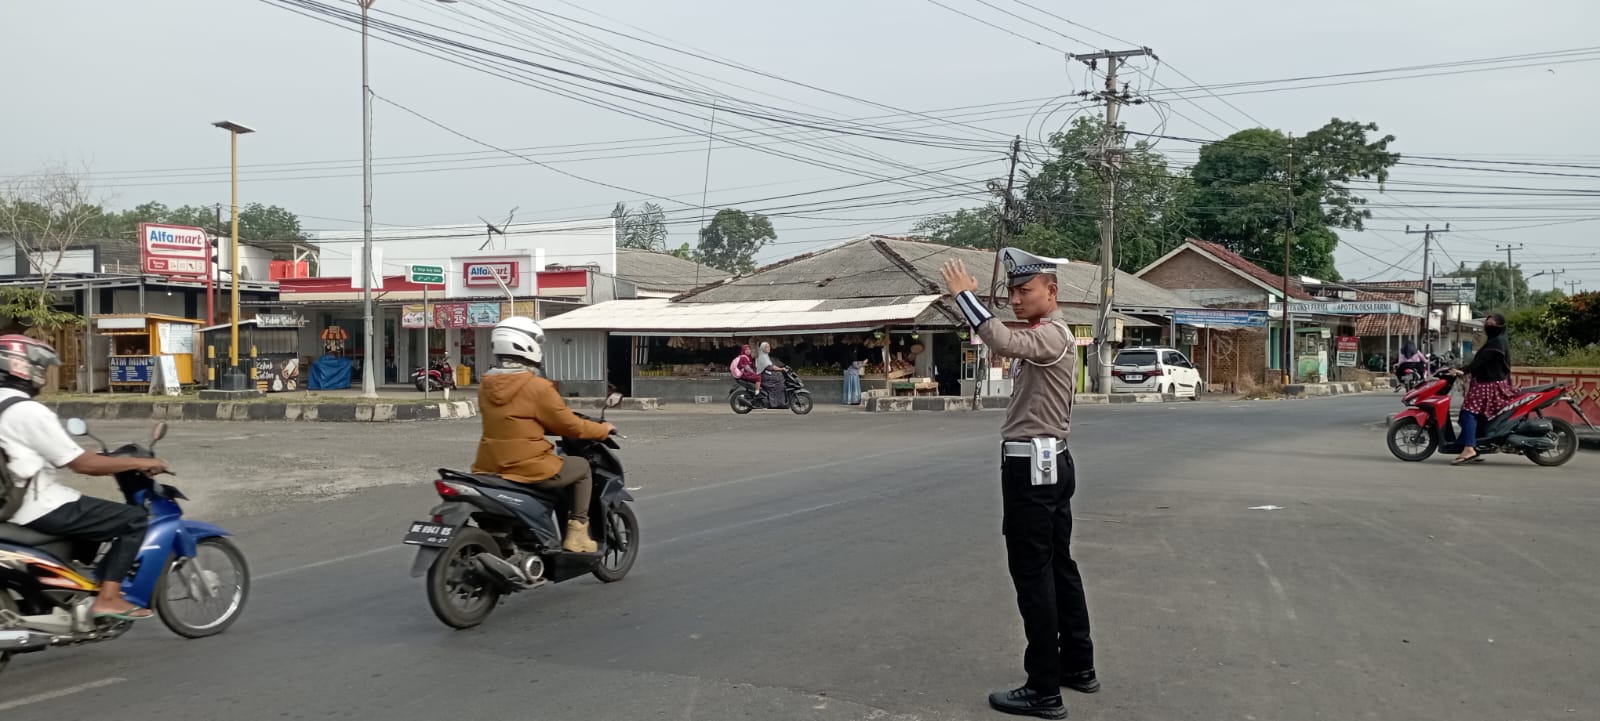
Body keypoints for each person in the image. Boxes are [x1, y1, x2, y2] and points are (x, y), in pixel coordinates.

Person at [941, 250, 1094, 720]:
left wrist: (964, 295)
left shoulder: (1051, 334)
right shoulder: (1047, 335)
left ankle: (1044, 690)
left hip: (1032, 468)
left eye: (1024, 291)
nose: (1015, 298)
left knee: (1034, 574)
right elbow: (1008, 339)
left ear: (1052, 292)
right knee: (1059, 566)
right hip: (1051, 463)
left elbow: (1002, 341)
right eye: (1010, 292)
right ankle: (1077, 666)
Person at [0, 335, 167, 620]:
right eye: (39, 365)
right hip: (38, 506)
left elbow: (29, 449)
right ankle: (109, 598)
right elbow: (82, 465)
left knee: (92, 517)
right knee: (133, 520)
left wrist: (79, 452)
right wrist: (139, 462)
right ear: (19, 365)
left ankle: (68, 589)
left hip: (7, 503)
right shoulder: (27, 410)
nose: (42, 372)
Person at [472, 317, 615, 552]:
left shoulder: (486, 384)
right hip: (527, 466)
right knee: (580, 467)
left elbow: (513, 419)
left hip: (489, 465)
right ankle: (577, 533)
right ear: (527, 345)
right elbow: (571, 426)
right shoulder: (538, 387)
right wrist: (603, 429)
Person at [1450, 313, 1514, 465]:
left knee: (1468, 413)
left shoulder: (1497, 342)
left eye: (1492, 323)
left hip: (1488, 386)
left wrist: (1463, 371)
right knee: (1477, 416)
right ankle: (1474, 445)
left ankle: (1469, 448)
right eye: (1487, 322)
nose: (1488, 325)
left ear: (1500, 326)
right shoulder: (1496, 341)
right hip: (1490, 383)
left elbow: (1480, 361)